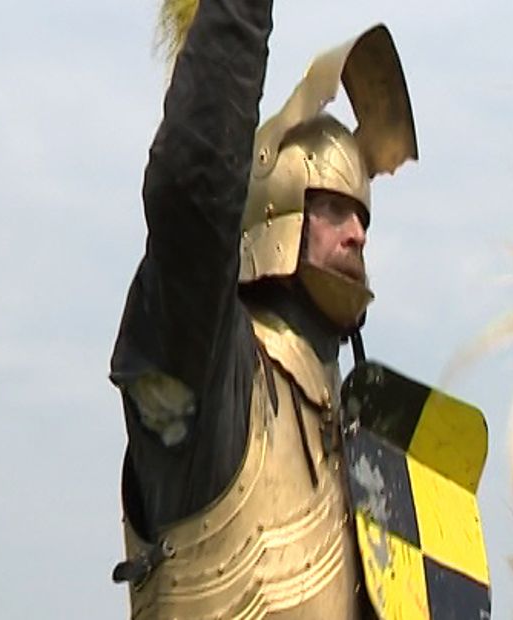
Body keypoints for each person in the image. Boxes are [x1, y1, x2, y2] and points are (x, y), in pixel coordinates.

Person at [107, 0, 418, 616]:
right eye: (332, 206)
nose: (356, 233)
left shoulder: (375, 441)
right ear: (275, 213)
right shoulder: (211, 381)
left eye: (363, 216)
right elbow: (192, 194)